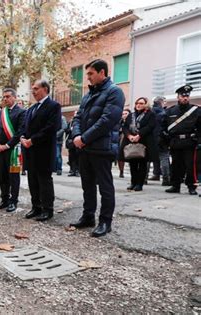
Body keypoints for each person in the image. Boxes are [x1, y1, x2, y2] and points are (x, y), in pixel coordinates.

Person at [70, 59, 124, 237]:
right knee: (87, 185)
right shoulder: (88, 95)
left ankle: (105, 221)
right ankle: (88, 216)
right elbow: (77, 118)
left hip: (102, 148)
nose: (88, 77)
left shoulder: (114, 92)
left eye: (91, 73)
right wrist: (77, 136)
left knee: (105, 186)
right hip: (85, 148)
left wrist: (84, 138)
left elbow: (107, 120)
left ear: (102, 73)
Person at [20, 80, 61, 222]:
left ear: (45, 89)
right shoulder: (31, 108)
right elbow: (25, 126)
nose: (33, 91)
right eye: (32, 88)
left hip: (44, 150)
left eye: (36, 88)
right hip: (30, 151)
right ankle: (36, 206)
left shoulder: (53, 106)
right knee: (32, 180)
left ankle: (47, 209)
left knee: (44, 181)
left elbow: (51, 128)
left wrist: (33, 140)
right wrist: (23, 137)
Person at [162, 84, 201, 195]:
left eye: (187, 96)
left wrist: (198, 140)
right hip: (175, 142)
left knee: (190, 166)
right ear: (178, 97)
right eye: (182, 96)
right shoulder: (170, 111)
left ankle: (191, 186)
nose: (185, 98)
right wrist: (166, 140)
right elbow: (163, 126)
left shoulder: (196, 110)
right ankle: (175, 185)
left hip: (189, 142)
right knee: (175, 165)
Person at [0, 88, 26, 212]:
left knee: (13, 176)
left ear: (14, 97)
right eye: (4, 97)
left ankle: (13, 201)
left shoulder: (22, 112)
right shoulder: (2, 112)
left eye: (7, 96)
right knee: (2, 175)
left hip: (12, 150)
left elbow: (20, 131)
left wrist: (7, 145)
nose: (5, 99)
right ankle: (4, 199)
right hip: (0, 150)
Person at [120, 97, 158, 191]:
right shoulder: (131, 115)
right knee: (132, 163)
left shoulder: (150, 114)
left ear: (146, 104)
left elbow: (150, 126)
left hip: (144, 142)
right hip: (131, 141)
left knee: (142, 164)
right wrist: (129, 136)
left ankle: (139, 184)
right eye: (137, 103)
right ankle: (133, 182)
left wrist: (139, 135)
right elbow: (125, 127)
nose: (138, 105)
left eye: (141, 103)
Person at [149, 96, 171, 186]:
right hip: (162, 138)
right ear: (161, 102)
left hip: (150, 138)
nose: (165, 103)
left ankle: (145, 178)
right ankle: (166, 179)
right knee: (164, 158)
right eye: (164, 102)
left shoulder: (148, 112)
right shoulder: (165, 113)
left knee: (147, 159)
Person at [116, 108, 131, 178]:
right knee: (120, 155)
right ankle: (121, 171)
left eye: (126, 114)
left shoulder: (131, 121)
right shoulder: (119, 121)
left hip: (129, 138)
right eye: (123, 114)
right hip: (119, 139)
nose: (124, 115)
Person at [66, 111, 79, 177]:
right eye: (75, 114)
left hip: (77, 141)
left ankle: (77, 170)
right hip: (71, 141)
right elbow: (66, 130)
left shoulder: (80, 122)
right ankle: (72, 170)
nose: (75, 115)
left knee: (77, 157)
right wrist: (70, 129)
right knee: (71, 157)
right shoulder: (71, 122)